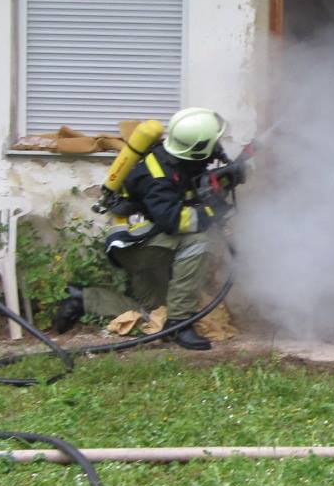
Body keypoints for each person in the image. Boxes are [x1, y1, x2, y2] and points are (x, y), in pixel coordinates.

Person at [96, 106, 245, 351]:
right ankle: (179, 324)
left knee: (153, 309)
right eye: (213, 144)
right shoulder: (156, 175)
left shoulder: (178, 161)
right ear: (196, 148)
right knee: (198, 241)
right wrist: (211, 211)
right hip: (133, 246)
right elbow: (174, 220)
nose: (217, 149)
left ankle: (81, 299)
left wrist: (227, 179)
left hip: (150, 240)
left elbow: (192, 189)